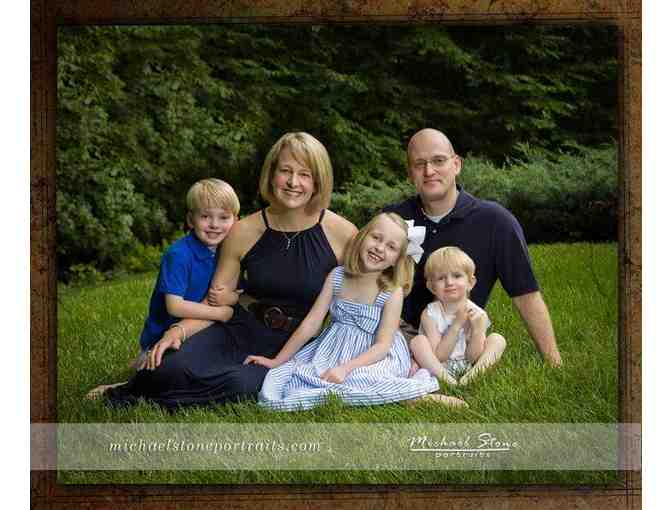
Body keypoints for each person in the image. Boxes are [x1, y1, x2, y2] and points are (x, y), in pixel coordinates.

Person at [89, 132, 357, 407]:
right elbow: (216, 300)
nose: (293, 182)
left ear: (319, 181)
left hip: (297, 344)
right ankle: (134, 387)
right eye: (285, 171)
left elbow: (366, 300)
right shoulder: (243, 231)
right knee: (168, 366)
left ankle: (158, 392)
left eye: (304, 174)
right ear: (271, 175)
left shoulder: (342, 233)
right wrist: (177, 332)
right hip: (239, 327)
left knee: (241, 385)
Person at [245, 212, 464, 411]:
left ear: (398, 259)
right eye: (376, 238)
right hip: (334, 349)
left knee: (361, 378)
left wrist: (346, 369)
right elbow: (311, 324)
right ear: (362, 237)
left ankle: (418, 398)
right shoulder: (337, 276)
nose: (380, 248)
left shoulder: (391, 291)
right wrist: (278, 360)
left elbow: (382, 345)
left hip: (373, 355)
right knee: (294, 377)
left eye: (391, 247)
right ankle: (388, 397)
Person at [383, 128, 562, 366]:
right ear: (410, 173)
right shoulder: (392, 220)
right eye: (419, 164)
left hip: (461, 339)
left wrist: (553, 362)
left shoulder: (496, 222)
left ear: (456, 164)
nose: (429, 171)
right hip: (397, 336)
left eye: (439, 161)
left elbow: (525, 294)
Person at [131, 178, 240, 370]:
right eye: (205, 216)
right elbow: (174, 306)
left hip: (202, 330)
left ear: (235, 221)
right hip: (165, 336)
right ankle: (142, 362)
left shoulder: (228, 252)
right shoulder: (179, 255)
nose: (215, 224)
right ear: (191, 220)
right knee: (167, 374)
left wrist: (229, 298)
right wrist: (220, 313)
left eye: (224, 217)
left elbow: (239, 291)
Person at [409, 247, 506, 386]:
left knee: (497, 339)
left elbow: (473, 357)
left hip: (467, 365)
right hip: (438, 366)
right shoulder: (430, 314)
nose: (449, 282)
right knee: (418, 341)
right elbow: (438, 356)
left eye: (457, 276)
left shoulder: (477, 314)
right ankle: (447, 380)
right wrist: (456, 325)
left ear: (470, 283)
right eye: (441, 278)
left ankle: (472, 375)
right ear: (431, 287)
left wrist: (478, 331)